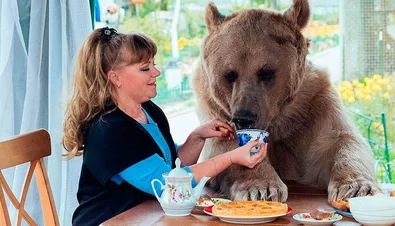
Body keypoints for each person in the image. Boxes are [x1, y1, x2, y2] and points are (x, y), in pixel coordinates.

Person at [62, 27, 267, 226]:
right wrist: (231, 157)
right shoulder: (110, 131)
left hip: (148, 217)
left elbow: (172, 167)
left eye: (153, 64)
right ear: (115, 77)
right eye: (145, 68)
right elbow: (170, 185)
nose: (157, 72)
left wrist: (198, 137)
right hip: (109, 222)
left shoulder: (149, 111)